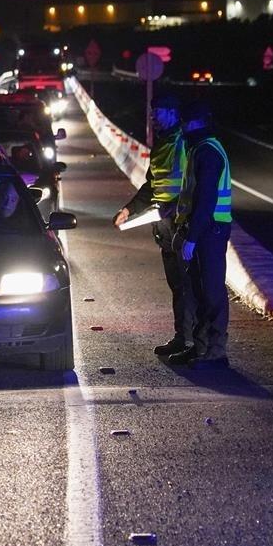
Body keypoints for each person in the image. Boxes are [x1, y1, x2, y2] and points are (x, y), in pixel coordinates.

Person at [112, 94, 194, 358]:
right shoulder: (162, 144)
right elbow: (151, 186)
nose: (152, 117)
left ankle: (191, 341)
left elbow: (190, 185)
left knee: (185, 284)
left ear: (171, 112)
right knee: (176, 284)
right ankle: (182, 338)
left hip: (180, 223)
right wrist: (129, 209)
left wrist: (175, 207)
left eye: (156, 112)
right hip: (165, 225)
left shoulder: (182, 143)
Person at [168, 100, 233, 371]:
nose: (182, 127)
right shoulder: (199, 148)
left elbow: (206, 200)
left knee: (211, 291)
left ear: (196, 123)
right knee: (198, 290)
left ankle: (215, 353)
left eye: (185, 122)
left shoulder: (208, 151)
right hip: (205, 229)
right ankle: (201, 347)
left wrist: (192, 238)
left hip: (210, 231)